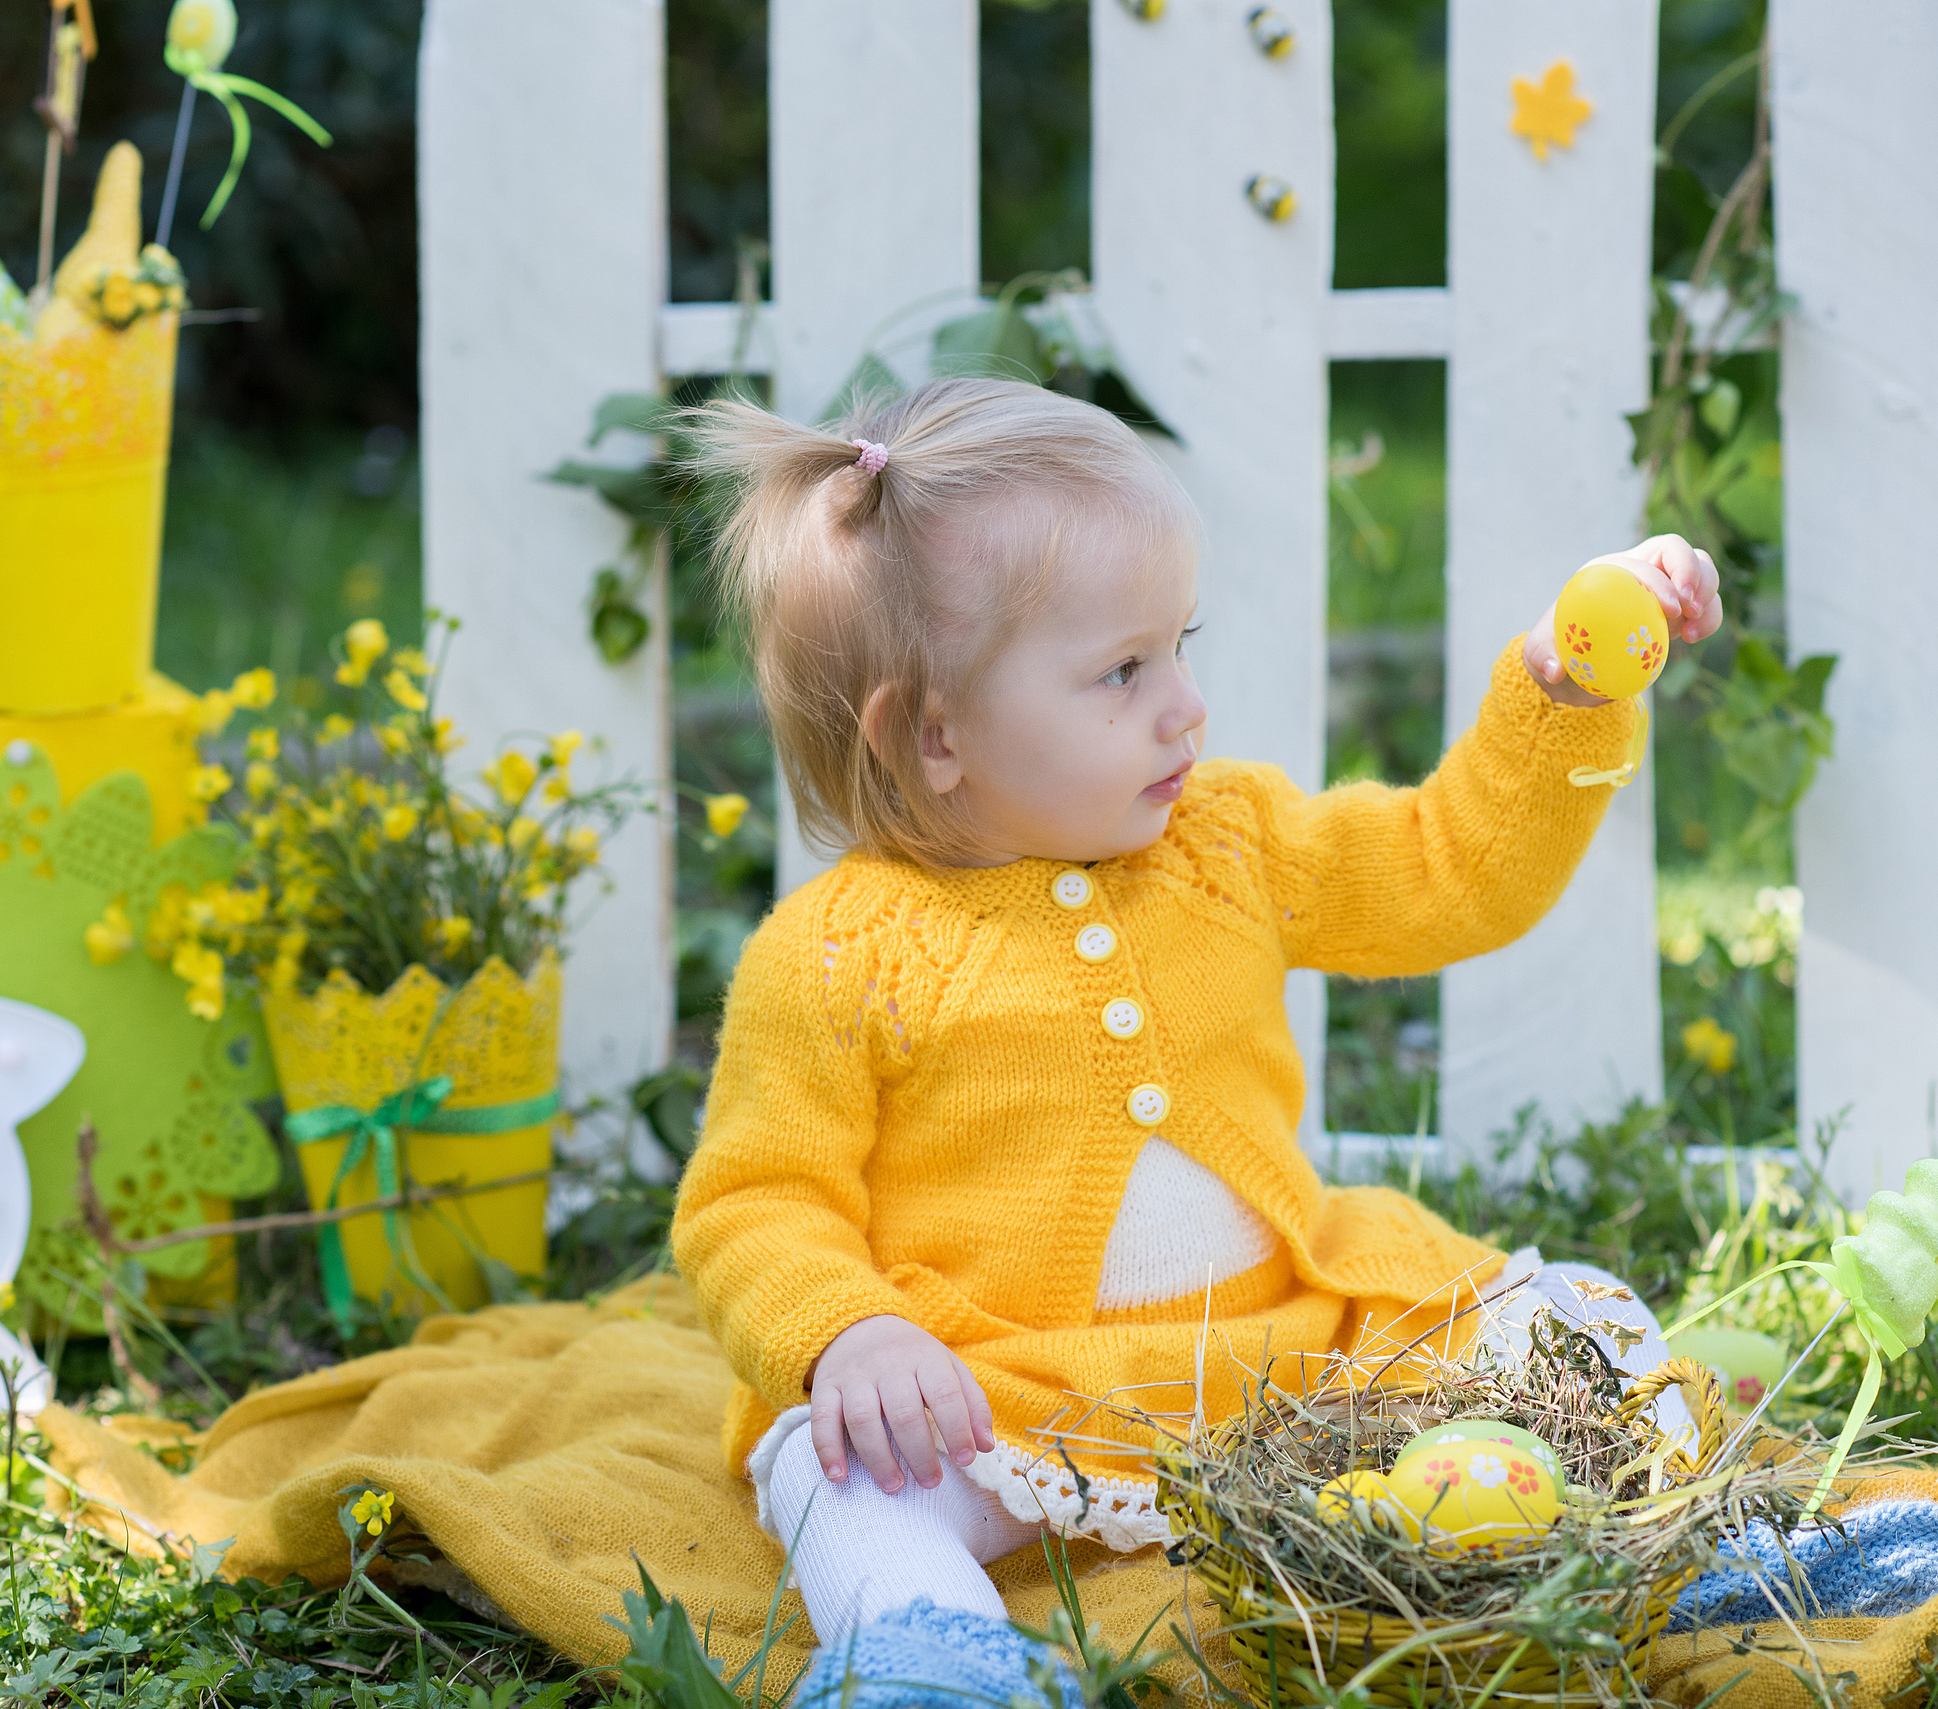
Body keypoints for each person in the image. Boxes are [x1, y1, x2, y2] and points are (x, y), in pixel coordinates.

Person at [669, 377, 1721, 1707]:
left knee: (1578, 1321)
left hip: (1294, 1352)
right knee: (830, 1465)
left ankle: (1706, 1550)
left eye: (1181, 645)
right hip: (1005, 1389)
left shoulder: (1228, 840)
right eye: (1123, 669)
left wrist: (1559, 694)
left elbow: (1449, 869)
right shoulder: (836, 951)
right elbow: (754, 1200)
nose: (1187, 706)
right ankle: (931, 1654)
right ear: (932, 734)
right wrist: (848, 1336)